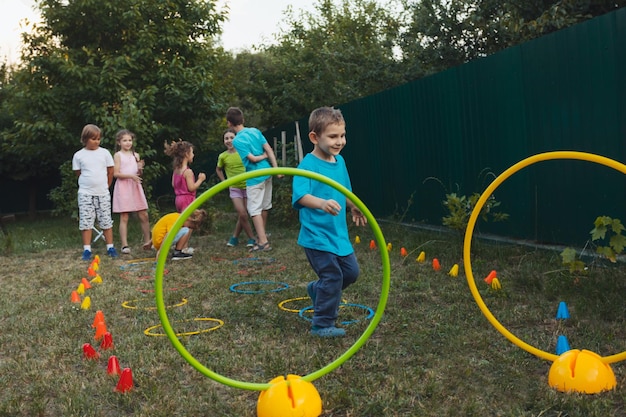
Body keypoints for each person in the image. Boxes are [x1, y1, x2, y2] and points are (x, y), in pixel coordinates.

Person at [292, 107, 367, 338]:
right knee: (333, 277)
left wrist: (352, 205)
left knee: (351, 273)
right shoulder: (307, 166)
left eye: (342, 135)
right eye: (333, 136)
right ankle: (322, 324)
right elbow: (301, 196)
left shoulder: (340, 161)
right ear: (315, 137)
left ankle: (318, 290)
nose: (340, 141)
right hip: (317, 235)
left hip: (338, 233)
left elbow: (343, 190)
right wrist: (322, 203)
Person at [226, 107, 281, 252]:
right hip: (268, 172)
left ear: (229, 123)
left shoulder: (237, 140)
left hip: (255, 176)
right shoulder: (255, 131)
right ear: (243, 119)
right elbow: (269, 149)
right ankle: (260, 238)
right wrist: (276, 169)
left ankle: (263, 242)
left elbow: (252, 159)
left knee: (254, 209)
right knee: (264, 206)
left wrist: (262, 157)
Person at [72, 124, 119, 261]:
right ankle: (87, 249)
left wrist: (106, 186)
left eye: (98, 139)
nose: (97, 141)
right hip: (85, 193)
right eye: (93, 139)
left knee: (106, 220)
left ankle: (110, 246)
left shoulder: (104, 153)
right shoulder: (79, 155)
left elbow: (110, 171)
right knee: (86, 221)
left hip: (103, 193)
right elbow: (78, 173)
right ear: (85, 139)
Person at [112, 129, 151, 254]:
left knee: (143, 214)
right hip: (124, 186)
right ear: (119, 142)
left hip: (135, 186)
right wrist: (131, 176)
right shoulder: (118, 155)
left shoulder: (136, 155)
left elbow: (138, 173)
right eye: (125, 140)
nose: (128, 143)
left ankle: (148, 241)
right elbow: (116, 173)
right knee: (124, 216)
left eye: (130, 140)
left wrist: (140, 169)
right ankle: (124, 245)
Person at [215, 128, 256, 248]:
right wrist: (224, 182)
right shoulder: (223, 156)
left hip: (248, 186)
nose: (229, 140)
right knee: (242, 213)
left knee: (244, 214)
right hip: (234, 188)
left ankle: (235, 237)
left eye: (231, 138)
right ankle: (251, 238)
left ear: (237, 139)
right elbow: (218, 169)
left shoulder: (243, 152)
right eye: (226, 138)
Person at [164, 139, 206, 213]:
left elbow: (173, 184)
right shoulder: (188, 172)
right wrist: (200, 180)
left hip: (178, 199)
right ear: (187, 154)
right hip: (187, 200)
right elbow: (191, 188)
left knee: (182, 219)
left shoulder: (176, 170)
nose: (193, 155)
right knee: (189, 220)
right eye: (192, 152)